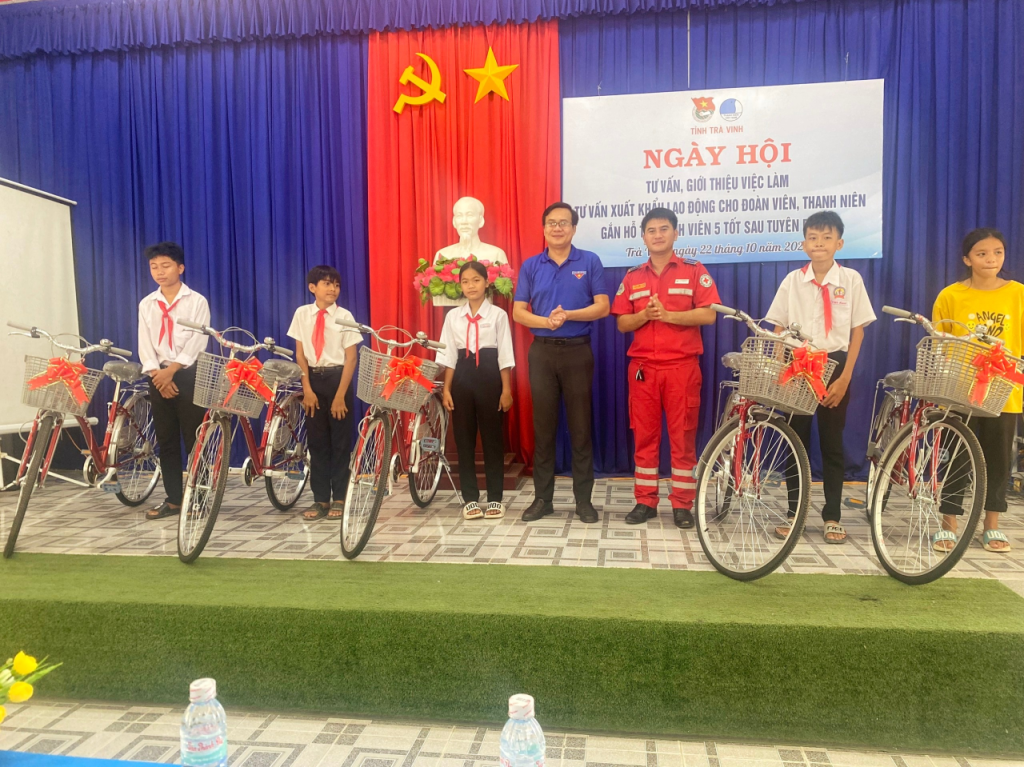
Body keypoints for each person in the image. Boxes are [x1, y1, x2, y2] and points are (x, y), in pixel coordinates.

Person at [765, 210, 876, 544]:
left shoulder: (851, 280)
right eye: (813, 238)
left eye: (827, 238)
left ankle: (832, 516)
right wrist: (779, 369)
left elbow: (858, 332)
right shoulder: (792, 281)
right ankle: (794, 513)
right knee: (794, 441)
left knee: (831, 442)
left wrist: (845, 378)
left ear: (839, 243)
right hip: (798, 365)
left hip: (835, 365)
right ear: (804, 244)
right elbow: (778, 328)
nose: (819, 243)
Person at [612, 207, 720, 528]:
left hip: (682, 369)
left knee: (682, 437)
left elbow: (709, 314)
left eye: (664, 229)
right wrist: (644, 316)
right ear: (643, 237)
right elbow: (622, 323)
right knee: (644, 437)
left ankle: (682, 504)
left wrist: (669, 316)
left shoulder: (694, 270)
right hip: (643, 369)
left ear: (675, 233)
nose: (657, 235)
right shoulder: (633, 276)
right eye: (651, 230)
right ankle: (645, 501)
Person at [513, 202, 609, 523]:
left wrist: (568, 315)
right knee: (543, 429)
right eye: (551, 223)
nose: (557, 228)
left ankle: (584, 501)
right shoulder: (531, 265)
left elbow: (603, 307)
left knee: (580, 429)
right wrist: (546, 322)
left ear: (574, 228)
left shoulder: (590, 261)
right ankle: (543, 499)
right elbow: (518, 312)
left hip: (577, 352)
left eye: (564, 223)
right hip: (541, 353)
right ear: (544, 229)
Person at [933, 228, 1023, 553]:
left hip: (1003, 392)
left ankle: (992, 524)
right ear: (967, 259)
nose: (991, 259)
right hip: (961, 391)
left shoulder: (1018, 294)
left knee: (998, 460)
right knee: (956, 456)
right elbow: (940, 343)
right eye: (982, 253)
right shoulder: (950, 296)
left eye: (998, 252)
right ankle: (949, 523)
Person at [438, 262, 516, 519]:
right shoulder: (453, 317)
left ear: (486, 283)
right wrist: (447, 389)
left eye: (476, 280)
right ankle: (470, 498)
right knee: (464, 440)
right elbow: (449, 355)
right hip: (462, 377)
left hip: (490, 377)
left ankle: (495, 498)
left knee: (493, 439)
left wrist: (506, 390)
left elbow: (505, 355)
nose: (470, 286)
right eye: (465, 281)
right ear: (460, 285)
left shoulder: (498, 315)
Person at [138, 242, 210, 521]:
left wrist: (174, 370)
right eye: (154, 266)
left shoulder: (197, 301)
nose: (159, 271)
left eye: (166, 266)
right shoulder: (147, 303)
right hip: (158, 376)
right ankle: (173, 500)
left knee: (195, 439)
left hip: (189, 374)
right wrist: (158, 374)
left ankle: (200, 498)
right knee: (166, 441)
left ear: (180, 268)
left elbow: (198, 340)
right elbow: (145, 343)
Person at [287, 265, 361, 521]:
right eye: (327, 284)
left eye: (336, 285)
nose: (333, 289)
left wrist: (340, 395)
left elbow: (351, 358)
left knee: (340, 442)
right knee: (317, 443)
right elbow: (300, 355)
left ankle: (339, 497)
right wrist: (307, 388)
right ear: (313, 288)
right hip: (312, 380)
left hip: (338, 379)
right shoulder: (302, 314)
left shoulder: (345, 316)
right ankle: (320, 499)